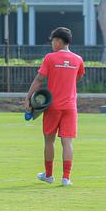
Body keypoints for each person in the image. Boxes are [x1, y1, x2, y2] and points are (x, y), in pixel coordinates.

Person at [25, 27, 84, 186]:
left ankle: (49, 175)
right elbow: (78, 78)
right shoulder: (78, 59)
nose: (52, 44)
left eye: (53, 41)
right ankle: (66, 178)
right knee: (67, 142)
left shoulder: (50, 58)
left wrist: (28, 98)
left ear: (58, 41)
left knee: (49, 141)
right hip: (70, 107)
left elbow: (39, 79)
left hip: (52, 106)